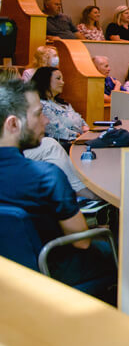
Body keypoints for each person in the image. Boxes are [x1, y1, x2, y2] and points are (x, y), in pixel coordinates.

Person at [0, 80, 115, 299]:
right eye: (38, 114)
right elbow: (82, 242)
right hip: (51, 272)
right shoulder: (46, 177)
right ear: (13, 124)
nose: (46, 120)